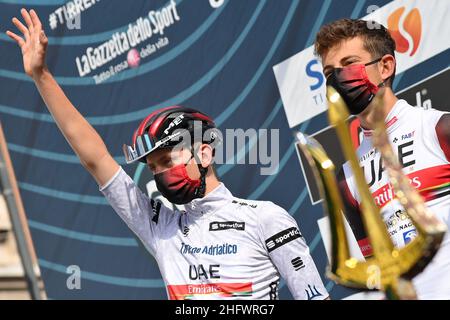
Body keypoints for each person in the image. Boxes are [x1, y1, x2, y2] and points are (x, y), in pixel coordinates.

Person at [6, 8, 328, 300]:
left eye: (167, 159)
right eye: (154, 167)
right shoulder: (161, 227)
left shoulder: (265, 218)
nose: (160, 173)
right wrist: (41, 75)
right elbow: (96, 159)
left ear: (203, 154)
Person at [314, 18, 450, 299]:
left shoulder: (439, 130)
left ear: (385, 66)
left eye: (349, 64)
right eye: (330, 73)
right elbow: (379, 268)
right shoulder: (346, 178)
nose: (338, 79)